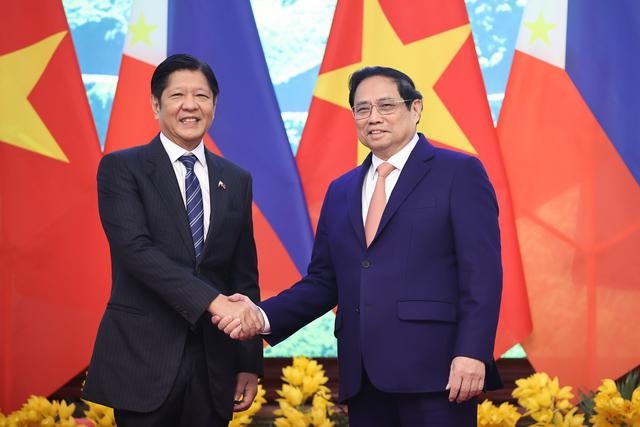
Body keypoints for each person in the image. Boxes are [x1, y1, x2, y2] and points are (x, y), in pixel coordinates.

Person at [217, 66, 503, 426]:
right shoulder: (342, 190)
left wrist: (473, 352)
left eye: (386, 105)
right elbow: (324, 282)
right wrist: (261, 316)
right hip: (364, 378)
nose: (374, 117)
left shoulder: (458, 172)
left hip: (439, 374)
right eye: (362, 108)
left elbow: (482, 275)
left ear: (415, 108)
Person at [83, 53, 264, 427]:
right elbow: (136, 251)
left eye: (201, 95)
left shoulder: (236, 178)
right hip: (144, 358)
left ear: (214, 105)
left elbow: (243, 274)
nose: (190, 105)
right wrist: (213, 301)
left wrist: (248, 361)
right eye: (178, 95)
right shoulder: (122, 168)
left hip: (214, 365)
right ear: (156, 104)